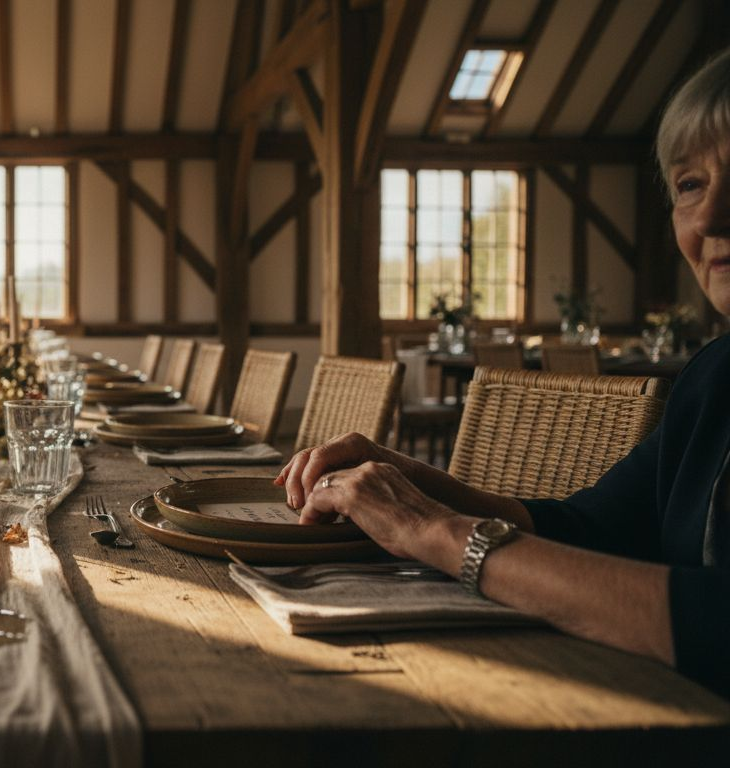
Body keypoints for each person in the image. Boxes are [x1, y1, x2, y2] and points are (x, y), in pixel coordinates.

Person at [276, 47, 730, 697]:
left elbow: (716, 623)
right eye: (691, 184)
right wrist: (410, 481)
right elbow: (587, 529)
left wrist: (435, 533)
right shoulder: (715, 377)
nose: (712, 217)